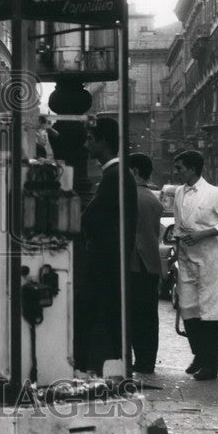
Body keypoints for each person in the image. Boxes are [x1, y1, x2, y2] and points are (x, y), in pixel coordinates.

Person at [79, 117, 137, 376]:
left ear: (103, 140)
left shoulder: (115, 175)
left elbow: (91, 218)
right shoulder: (115, 174)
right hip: (112, 261)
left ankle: (106, 369)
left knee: (96, 314)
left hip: (107, 263)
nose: (86, 144)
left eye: (90, 139)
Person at [172, 150, 218, 381]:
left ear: (191, 169)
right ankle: (199, 355)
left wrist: (203, 234)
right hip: (186, 257)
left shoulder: (214, 194)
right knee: (188, 308)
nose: (176, 172)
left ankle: (212, 365)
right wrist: (177, 244)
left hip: (209, 259)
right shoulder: (179, 193)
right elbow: (179, 223)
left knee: (211, 310)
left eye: (179, 168)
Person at [128, 152, 162, 375]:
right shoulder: (153, 199)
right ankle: (147, 361)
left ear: (135, 171)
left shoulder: (131, 196)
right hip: (151, 264)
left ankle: (138, 360)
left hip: (134, 263)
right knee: (149, 316)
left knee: (133, 315)